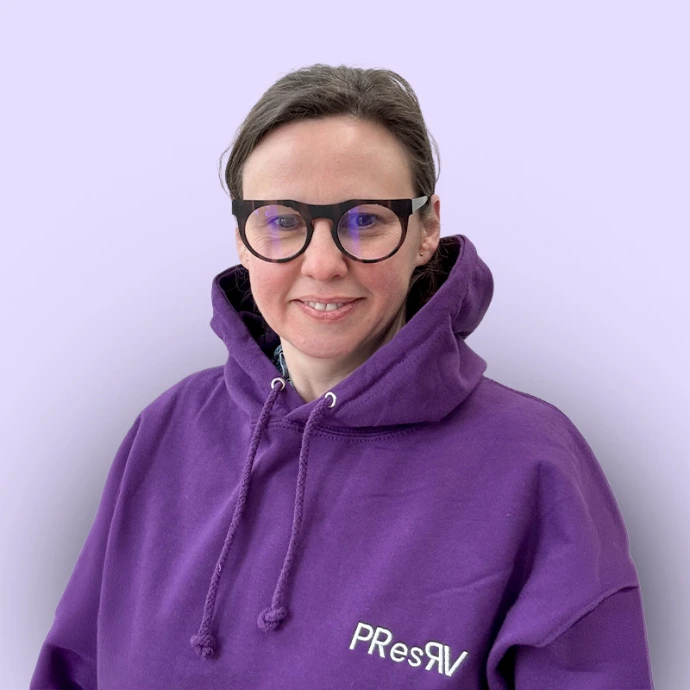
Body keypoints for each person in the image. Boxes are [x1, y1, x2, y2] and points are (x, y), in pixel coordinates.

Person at [31, 63, 655, 689]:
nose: (324, 264)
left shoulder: (534, 461)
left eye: (365, 220)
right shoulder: (166, 432)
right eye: (282, 221)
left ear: (426, 230)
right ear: (243, 239)